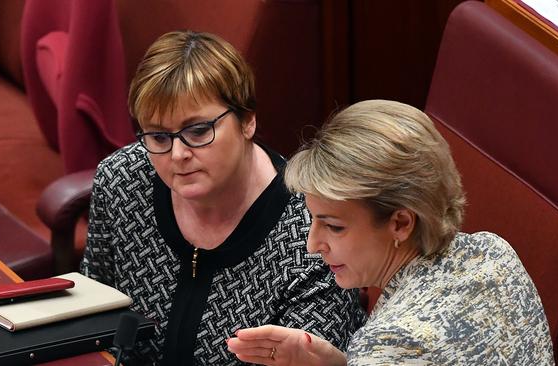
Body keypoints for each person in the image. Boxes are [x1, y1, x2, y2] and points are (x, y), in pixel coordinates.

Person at [80, 30, 367, 365]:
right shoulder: (122, 180)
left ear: (247, 120)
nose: (177, 154)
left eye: (198, 131)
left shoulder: (312, 229)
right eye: (158, 136)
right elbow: (89, 321)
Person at [226, 100, 554, 365]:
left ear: (400, 223)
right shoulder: (495, 252)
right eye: (313, 220)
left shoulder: (390, 344)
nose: (313, 245)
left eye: (334, 226)